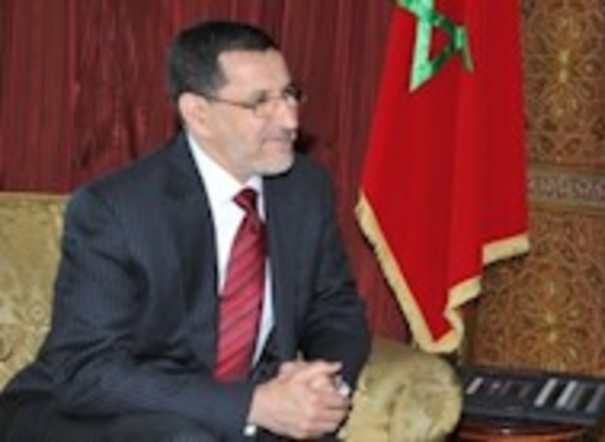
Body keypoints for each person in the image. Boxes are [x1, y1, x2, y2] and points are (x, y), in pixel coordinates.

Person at [0, 20, 370, 441]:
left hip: (235, 417)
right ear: (198, 113)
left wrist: (323, 385)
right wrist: (251, 405)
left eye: (289, 94)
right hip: (96, 415)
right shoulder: (116, 209)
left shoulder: (303, 189)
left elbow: (334, 307)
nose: (289, 119)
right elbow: (88, 370)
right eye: (260, 103)